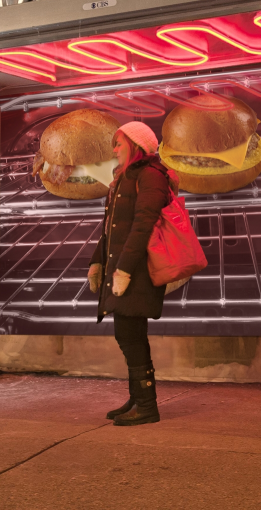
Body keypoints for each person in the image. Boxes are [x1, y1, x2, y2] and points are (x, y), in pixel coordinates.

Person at [88, 121, 174, 426]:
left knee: (130, 336)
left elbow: (143, 225)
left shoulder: (151, 176)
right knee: (130, 335)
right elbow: (111, 228)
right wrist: (98, 262)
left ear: (136, 145)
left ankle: (148, 406)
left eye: (119, 143)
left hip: (137, 271)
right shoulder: (123, 178)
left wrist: (123, 269)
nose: (114, 149)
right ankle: (138, 398)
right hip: (123, 269)